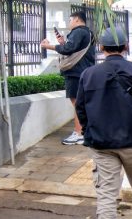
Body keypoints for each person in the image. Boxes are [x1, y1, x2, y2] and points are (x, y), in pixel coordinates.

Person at [75, 27, 132, 219]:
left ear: (101, 48)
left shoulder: (88, 74)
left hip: (101, 144)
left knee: (106, 192)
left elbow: (81, 108)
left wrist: (89, 133)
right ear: (126, 46)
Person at [40, 10, 96, 145]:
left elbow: (68, 50)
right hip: (83, 71)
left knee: (77, 103)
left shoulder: (78, 32)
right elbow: (72, 48)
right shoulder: (88, 32)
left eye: (70, 20)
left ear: (77, 20)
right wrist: (63, 42)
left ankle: (78, 133)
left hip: (76, 72)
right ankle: (83, 131)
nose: (69, 23)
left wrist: (49, 46)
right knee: (81, 103)